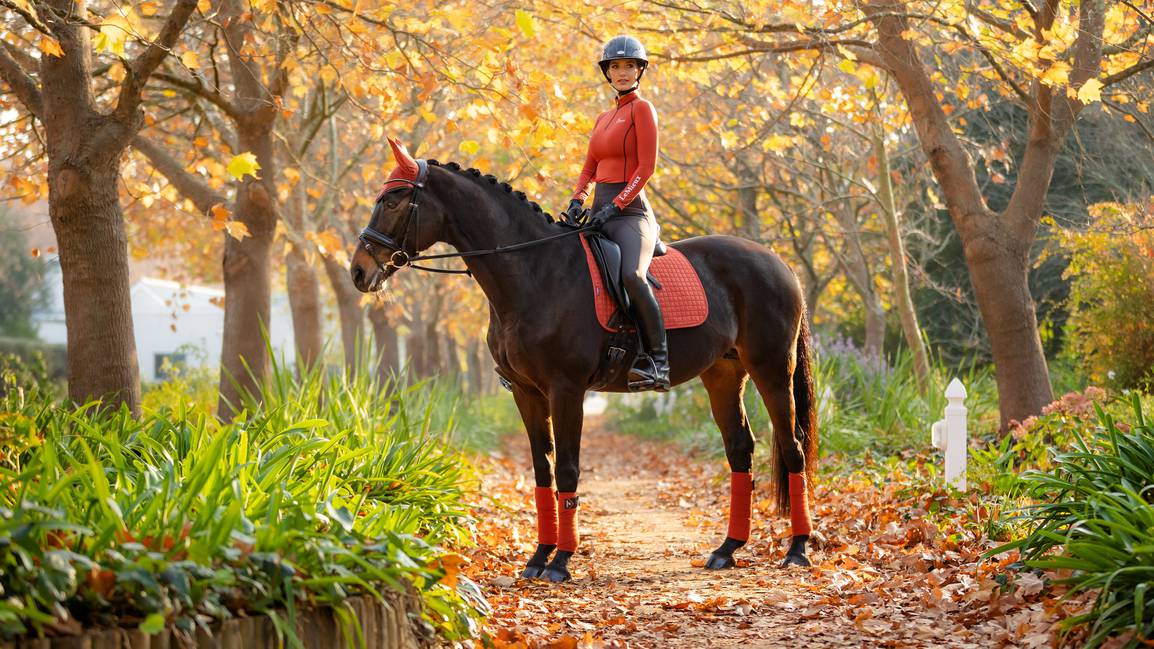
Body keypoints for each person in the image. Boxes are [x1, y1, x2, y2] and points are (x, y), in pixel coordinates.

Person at [562, 35, 669, 392]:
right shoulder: (602, 118)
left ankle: (658, 361)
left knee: (632, 276)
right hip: (600, 212)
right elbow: (589, 167)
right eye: (615, 66)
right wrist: (578, 200)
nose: (622, 72)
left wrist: (616, 205)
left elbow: (646, 167)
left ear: (640, 70)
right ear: (607, 73)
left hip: (632, 214)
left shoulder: (643, 109)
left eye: (629, 66)